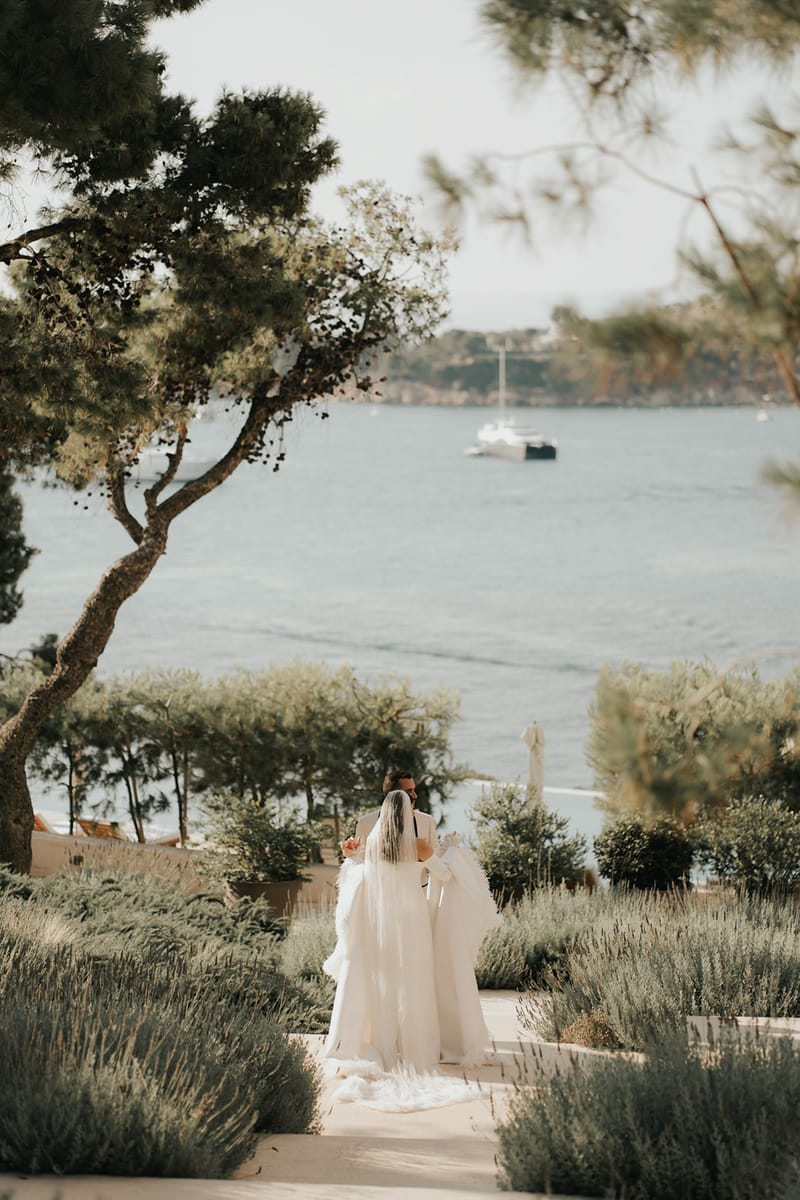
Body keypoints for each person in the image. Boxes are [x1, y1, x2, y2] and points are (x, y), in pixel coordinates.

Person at [323, 790, 500, 1107]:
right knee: (416, 983)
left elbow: (360, 871)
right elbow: (443, 875)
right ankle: (421, 1048)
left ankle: (384, 1044)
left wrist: (350, 855)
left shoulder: (374, 845)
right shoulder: (418, 845)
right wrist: (453, 853)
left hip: (381, 924)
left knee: (385, 983)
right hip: (413, 920)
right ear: (407, 814)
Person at [340, 769, 438, 860]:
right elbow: (361, 862)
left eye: (414, 790)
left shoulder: (427, 821)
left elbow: (437, 859)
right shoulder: (365, 823)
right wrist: (351, 853)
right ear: (393, 795)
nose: (415, 795)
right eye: (409, 791)